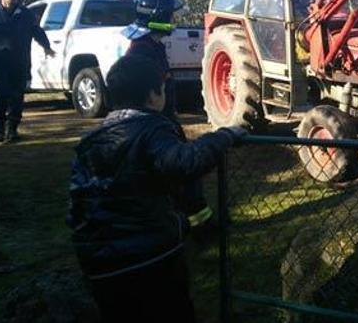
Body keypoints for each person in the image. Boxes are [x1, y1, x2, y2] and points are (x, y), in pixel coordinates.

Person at [67, 54, 247, 323]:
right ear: (154, 96)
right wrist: (224, 136)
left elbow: (76, 201)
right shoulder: (151, 129)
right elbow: (184, 162)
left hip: (97, 260)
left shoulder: (90, 141)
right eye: (162, 89)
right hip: (148, 257)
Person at [121, 0, 215, 232]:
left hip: (162, 123)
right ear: (158, 16)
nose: (172, 21)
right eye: (169, 16)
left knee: (182, 177)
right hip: (155, 126)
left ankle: (196, 221)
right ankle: (199, 226)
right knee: (182, 174)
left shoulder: (152, 45)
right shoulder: (141, 50)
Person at [0, 0, 55, 143]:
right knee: (1, 95)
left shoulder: (25, 14)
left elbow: (37, 31)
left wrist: (46, 47)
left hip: (20, 63)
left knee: (17, 97)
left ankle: (12, 129)